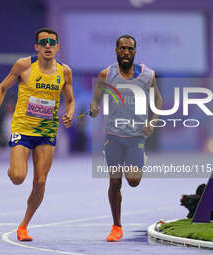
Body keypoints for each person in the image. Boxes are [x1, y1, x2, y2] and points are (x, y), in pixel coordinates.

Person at [0, 28, 75, 241]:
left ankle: (24, 226)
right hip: (23, 128)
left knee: (40, 182)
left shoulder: (65, 71)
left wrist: (69, 114)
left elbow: (70, 100)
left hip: (47, 131)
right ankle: (13, 167)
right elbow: (1, 88)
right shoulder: (23, 65)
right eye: (43, 42)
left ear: (57, 47)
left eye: (52, 42)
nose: (48, 46)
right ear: (36, 46)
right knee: (18, 177)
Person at [89, 35, 162, 242]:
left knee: (133, 181)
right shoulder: (106, 74)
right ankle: (116, 226)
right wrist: (94, 109)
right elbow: (96, 102)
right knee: (114, 181)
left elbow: (158, 100)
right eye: (122, 48)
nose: (126, 52)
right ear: (116, 51)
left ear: (135, 52)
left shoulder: (148, 76)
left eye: (130, 49)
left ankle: (139, 160)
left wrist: (153, 121)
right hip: (113, 137)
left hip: (136, 137)